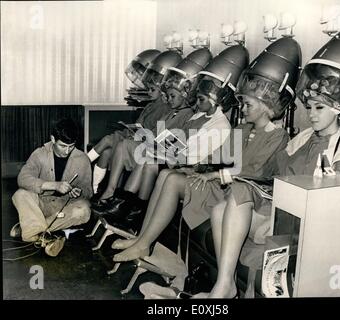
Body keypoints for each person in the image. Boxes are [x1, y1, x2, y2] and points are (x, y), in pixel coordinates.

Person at [194, 22, 340, 298]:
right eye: (309, 107)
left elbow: (332, 204)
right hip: (277, 206)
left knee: (231, 204)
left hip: (306, 221)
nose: (311, 114)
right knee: (222, 208)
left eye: (319, 108)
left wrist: (275, 219)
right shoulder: (301, 138)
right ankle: (225, 284)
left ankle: (223, 288)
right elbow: (272, 174)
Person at [109, 45, 251, 262]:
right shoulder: (198, 118)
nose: (196, 102)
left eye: (201, 99)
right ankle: (141, 239)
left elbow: (194, 158)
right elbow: (182, 147)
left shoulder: (220, 126)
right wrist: (166, 150)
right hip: (183, 163)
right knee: (163, 172)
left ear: (216, 100)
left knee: (165, 173)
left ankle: (143, 242)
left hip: (199, 172)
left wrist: (169, 155)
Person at [92, 48, 214, 214]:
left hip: (164, 155)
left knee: (131, 150)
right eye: (168, 96)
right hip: (153, 147)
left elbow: (180, 145)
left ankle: (125, 205)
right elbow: (157, 132)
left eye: (172, 96)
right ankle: (112, 192)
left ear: (185, 95)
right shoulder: (171, 111)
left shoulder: (188, 115)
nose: (169, 100)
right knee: (123, 145)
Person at [87, 49, 172, 195]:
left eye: (152, 89)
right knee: (106, 151)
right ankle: (93, 189)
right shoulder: (151, 104)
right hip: (134, 136)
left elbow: (155, 134)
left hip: (142, 142)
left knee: (108, 141)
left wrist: (136, 133)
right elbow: (140, 125)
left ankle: (83, 168)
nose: (148, 92)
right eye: (148, 88)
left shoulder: (164, 107)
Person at [11, 118, 93, 257]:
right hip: (41, 203)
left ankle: (29, 228)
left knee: (84, 211)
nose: (67, 151)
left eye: (71, 146)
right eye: (63, 146)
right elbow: (22, 179)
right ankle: (43, 235)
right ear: (53, 139)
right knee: (21, 194)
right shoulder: (40, 154)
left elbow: (88, 192)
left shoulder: (82, 159)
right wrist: (53, 185)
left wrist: (79, 192)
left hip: (64, 208)